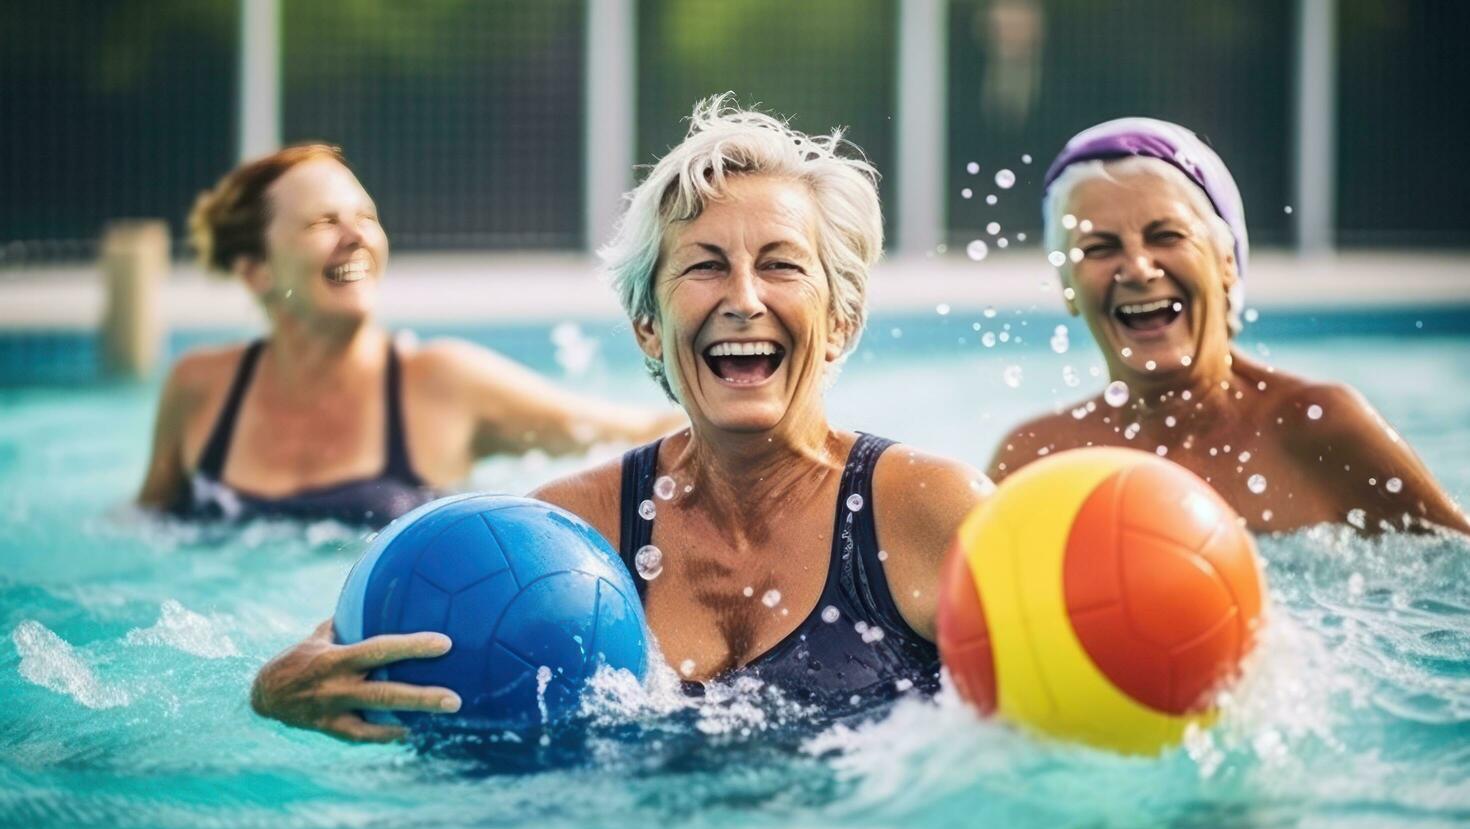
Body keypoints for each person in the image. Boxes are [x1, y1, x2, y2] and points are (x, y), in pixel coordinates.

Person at [249, 98, 988, 742]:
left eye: (781, 265)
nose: (743, 298)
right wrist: (278, 687)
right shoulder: (565, 534)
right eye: (703, 266)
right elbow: (351, 648)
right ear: (646, 325)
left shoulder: (927, 515)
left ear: (842, 323)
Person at [137, 144, 680, 528]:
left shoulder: (442, 383)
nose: (356, 238)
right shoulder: (201, 387)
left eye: (366, 217)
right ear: (257, 269)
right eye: (322, 223)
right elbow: (144, 530)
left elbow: (633, 435)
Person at [988, 118, 1468, 535]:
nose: (1136, 268)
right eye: (1098, 248)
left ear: (1227, 265)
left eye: (1167, 235)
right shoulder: (1037, 459)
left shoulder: (1319, 428)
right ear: (1068, 287)